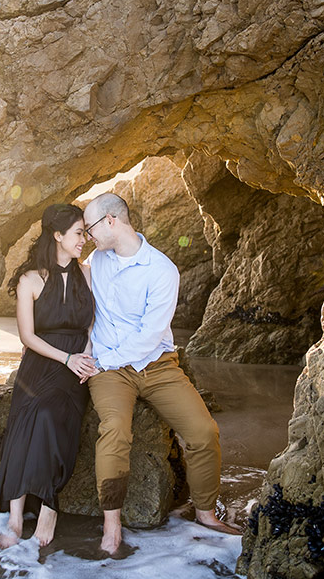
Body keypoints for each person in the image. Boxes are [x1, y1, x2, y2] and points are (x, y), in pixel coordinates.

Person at [83, 191, 241, 554]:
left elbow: (149, 335)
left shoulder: (161, 269)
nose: (88, 234)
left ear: (111, 221)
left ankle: (205, 513)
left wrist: (104, 361)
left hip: (156, 364)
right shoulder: (97, 260)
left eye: (90, 226)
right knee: (115, 430)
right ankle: (112, 524)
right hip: (110, 371)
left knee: (204, 431)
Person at [0, 203, 97, 548]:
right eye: (79, 233)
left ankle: (48, 505)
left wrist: (88, 358)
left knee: (51, 413)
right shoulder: (30, 279)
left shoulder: (88, 273)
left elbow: (96, 324)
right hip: (43, 360)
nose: (86, 239)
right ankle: (15, 512)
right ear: (58, 235)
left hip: (78, 361)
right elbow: (27, 336)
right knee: (29, 414)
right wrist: (66, 358)